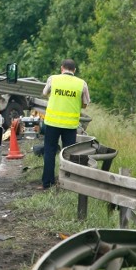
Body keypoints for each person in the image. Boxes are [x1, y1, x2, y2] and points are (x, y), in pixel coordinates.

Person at [40, 59, 90, 190]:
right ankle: (67, 182)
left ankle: (47, 183)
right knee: (68, 154)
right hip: (70, 125)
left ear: (62, 68)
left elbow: (44, 93)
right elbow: (85, 104)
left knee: (49, 152)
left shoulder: (53, 79)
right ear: (74, 70)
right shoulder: (81, 83)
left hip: (52, 122)